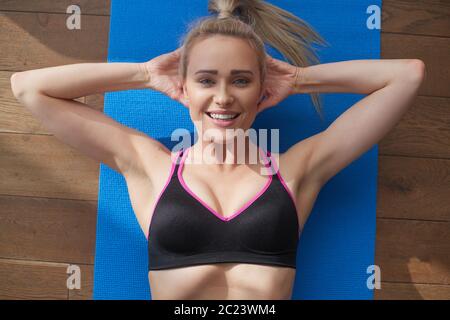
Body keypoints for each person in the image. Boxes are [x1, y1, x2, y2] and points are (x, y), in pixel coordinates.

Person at [10, 0, 425, 300]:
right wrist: (144, 74)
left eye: (241, 80)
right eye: (206, 81)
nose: (223, 97)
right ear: (183, 87)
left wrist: (299, 79)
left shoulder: (296, 170)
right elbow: (29, 87)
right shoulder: (149, 166)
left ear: (263, 89)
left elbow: (407, 76)